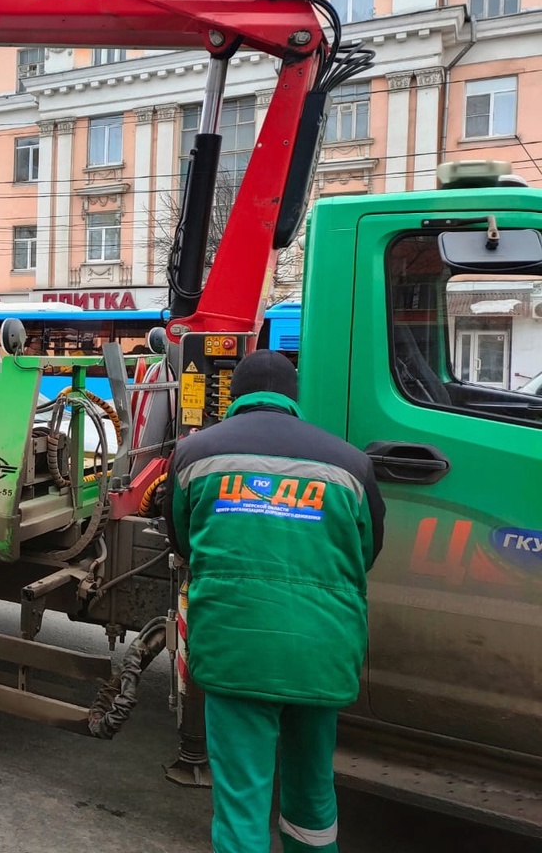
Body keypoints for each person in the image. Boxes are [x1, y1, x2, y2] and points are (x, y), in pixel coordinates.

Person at [163, 349, 384, 853]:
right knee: (312, 792)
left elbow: (181, 539)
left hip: (236, 649)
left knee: (242, 799)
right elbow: (364, 551)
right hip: (321, 651)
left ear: (235, 396)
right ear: (293, 397)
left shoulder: (197, 455)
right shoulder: (350, 462)